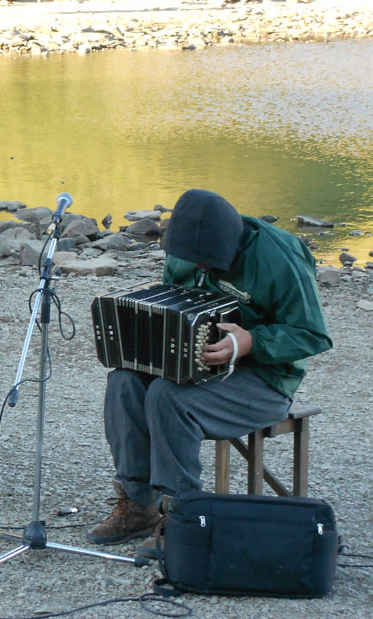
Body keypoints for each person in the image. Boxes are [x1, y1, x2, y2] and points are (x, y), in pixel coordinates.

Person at [86, 188, 332, 557]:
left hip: (266, 380)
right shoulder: (186, 252)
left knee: (168, 397)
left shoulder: (280, 257)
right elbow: (170, 302)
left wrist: (251, 342)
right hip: (196, 370)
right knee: (123, 382)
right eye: (194, 262)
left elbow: (313, 335)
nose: (199, 269)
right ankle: (138, 506)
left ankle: (183, 515)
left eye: (207, 264)